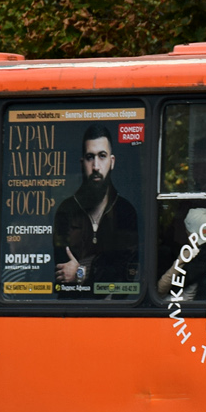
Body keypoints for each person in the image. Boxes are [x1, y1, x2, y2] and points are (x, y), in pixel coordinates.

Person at [53, 125, 139, 294]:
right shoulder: (66, 211)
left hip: (117, 308)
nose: (96, 166)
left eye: (102, 156)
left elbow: (127, 269)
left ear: (112, 162)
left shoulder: (125, 211)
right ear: (82, 163)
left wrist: (81, 272)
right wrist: (100, 265)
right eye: (90, 157)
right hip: (70, 308)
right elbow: (61, 270)